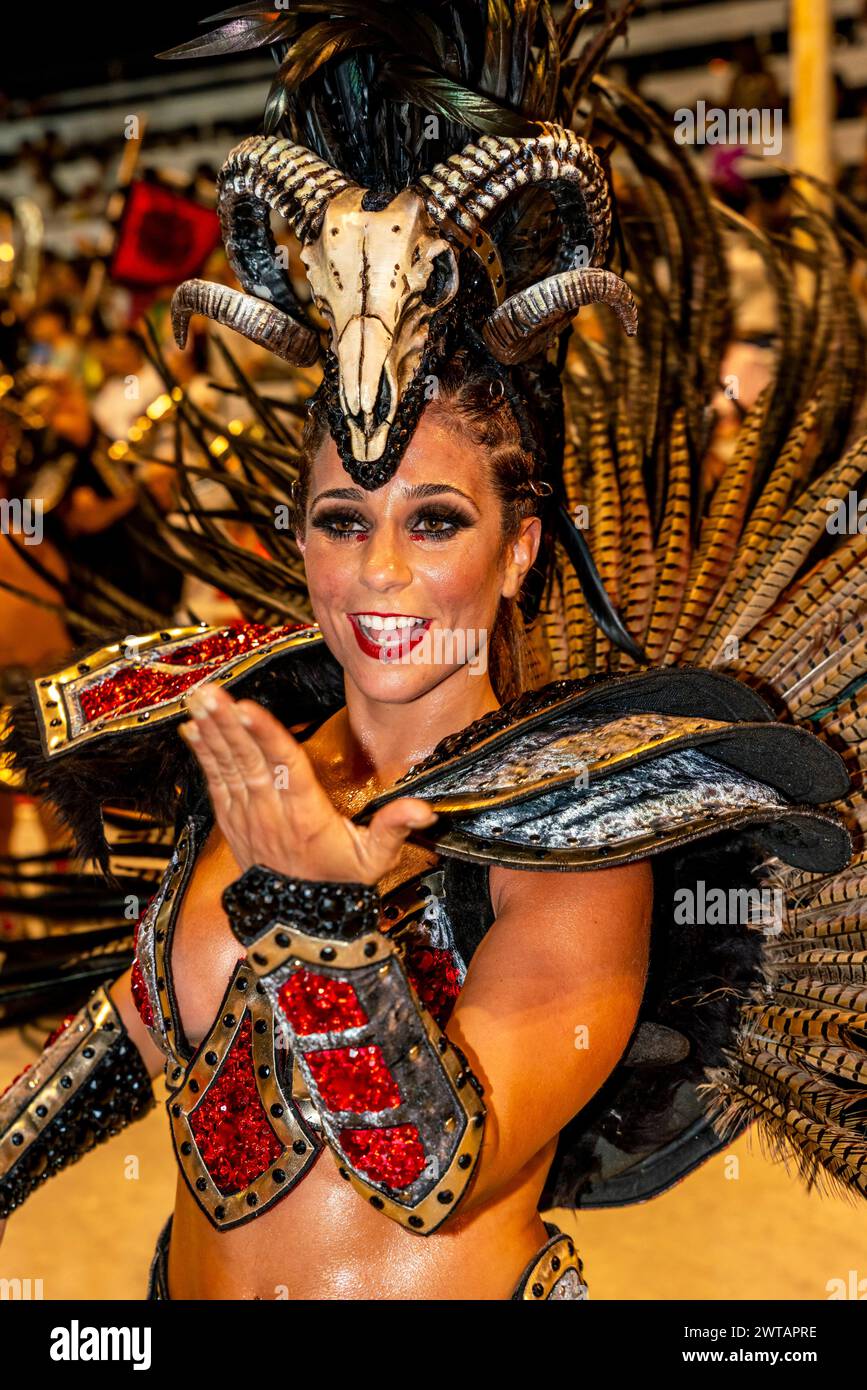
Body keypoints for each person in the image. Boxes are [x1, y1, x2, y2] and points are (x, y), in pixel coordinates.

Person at [1, 0, 865, 1302]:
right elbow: (149, 1029)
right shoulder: (252, 747)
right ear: (298, 538)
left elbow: (435, 1163)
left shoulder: (581, 825)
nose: (381, 570)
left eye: (436, 519)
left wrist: (328, 910)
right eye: (342, 518)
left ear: (520, 546)